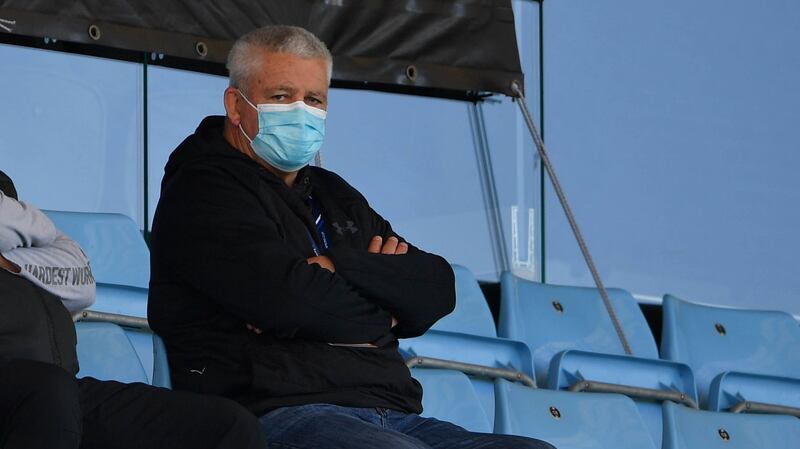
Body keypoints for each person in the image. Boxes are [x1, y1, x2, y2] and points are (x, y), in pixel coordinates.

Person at [148, 26, 555, 449]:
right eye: (283, 96)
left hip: (392, 413)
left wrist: (339, 265)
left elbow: (436, 289)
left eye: (314, 99)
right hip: (270, 413)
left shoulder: (332, 193)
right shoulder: (201, 190)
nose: (301, 112)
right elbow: (291, 301)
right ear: (236, 105)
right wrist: (385, 309)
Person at [0, 170, 267, 449]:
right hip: (36, 392)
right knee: (49, 392)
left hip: (60, 389)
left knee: (228, 427)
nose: (17, 215)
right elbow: (27, 227)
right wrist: (30, 235)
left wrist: (8, 260)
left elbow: (81, 281)